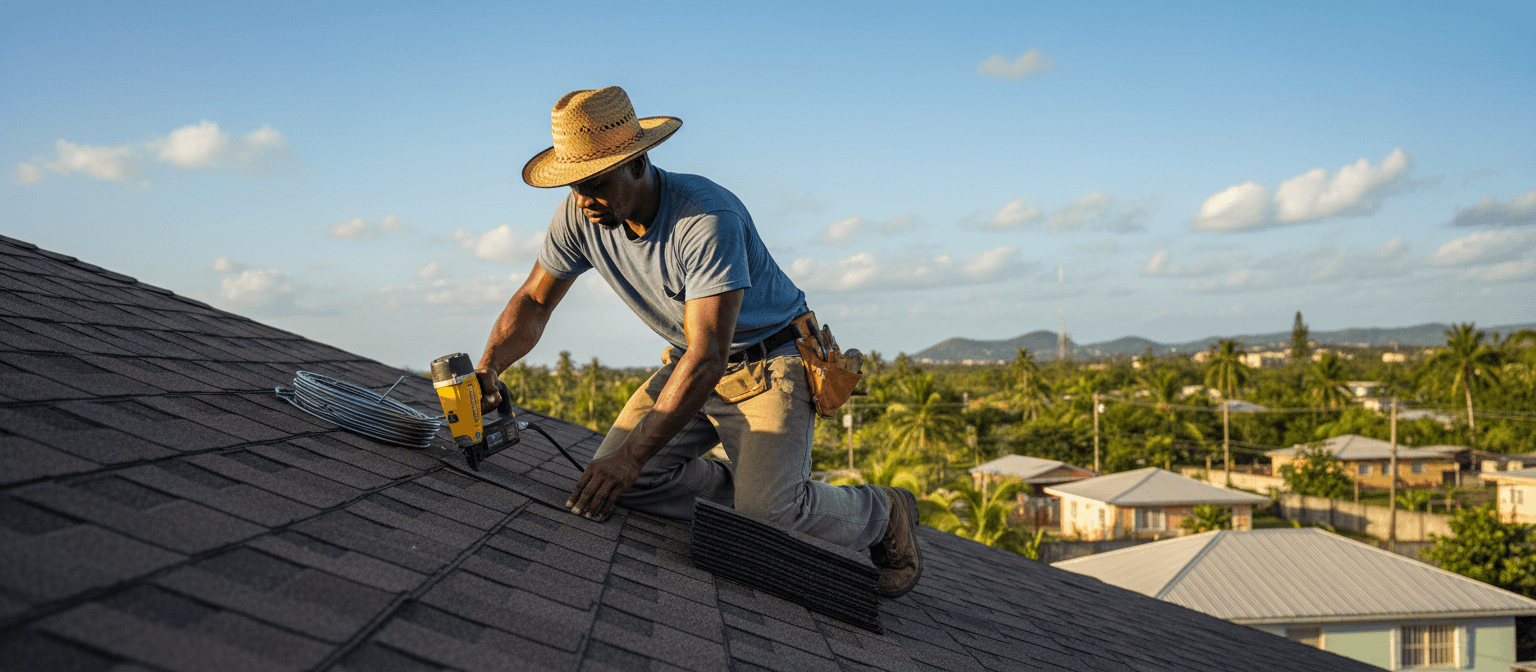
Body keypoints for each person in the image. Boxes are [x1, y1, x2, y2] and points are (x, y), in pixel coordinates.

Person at [473, 86, 921, 597]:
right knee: (619, 483)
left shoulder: (705, 218)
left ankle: (882, 512)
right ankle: (754, 483)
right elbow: (534, 301)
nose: (582, 200)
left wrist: (633, 455)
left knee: (767, 518)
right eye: (574, 186)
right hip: (693, 362)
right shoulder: (579, 215)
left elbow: (710, 354)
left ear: (637, 163)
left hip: (769, 364)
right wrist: (490, 367)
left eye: (595, 183)